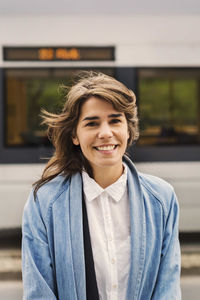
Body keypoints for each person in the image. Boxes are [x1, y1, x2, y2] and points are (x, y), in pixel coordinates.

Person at [22, 72, 181, 300]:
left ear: (128, 130)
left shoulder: (162, 198)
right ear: (75, 135)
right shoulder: (44, 203)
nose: (105, 133)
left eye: (115, 120)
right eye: (92, 123)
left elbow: (168, 288)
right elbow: (38, 293)